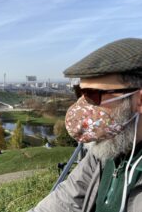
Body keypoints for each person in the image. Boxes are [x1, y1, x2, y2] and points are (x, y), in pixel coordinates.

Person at [28, 38, 142, 212]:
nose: (81, 107)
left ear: (139, 100)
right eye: (79, 93)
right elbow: (65, 200)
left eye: (93, 95)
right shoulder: (105, 152)